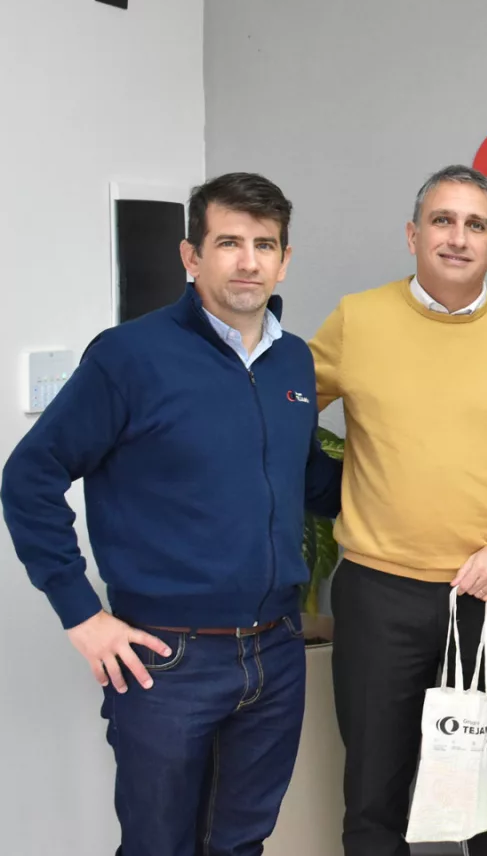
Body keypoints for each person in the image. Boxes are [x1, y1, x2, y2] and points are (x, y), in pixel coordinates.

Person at [0, 172, 342, 855]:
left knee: (241, 843)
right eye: (229, 242)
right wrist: (82, 615)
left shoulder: (292, 361)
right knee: (159, 846)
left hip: (275, 649)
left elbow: (308, 480)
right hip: (167, 657)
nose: (248, 261)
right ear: (191, 256)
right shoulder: (129, 356)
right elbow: (29, 478)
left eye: (265, 245)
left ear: (284, 260)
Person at [309, 164, 487, 856]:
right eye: (442, 221)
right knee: (373, 797)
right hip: (379, 594)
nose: (458, 237)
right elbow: (279, 409)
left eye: (475, 225)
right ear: (413, 234)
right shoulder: (356, 320)